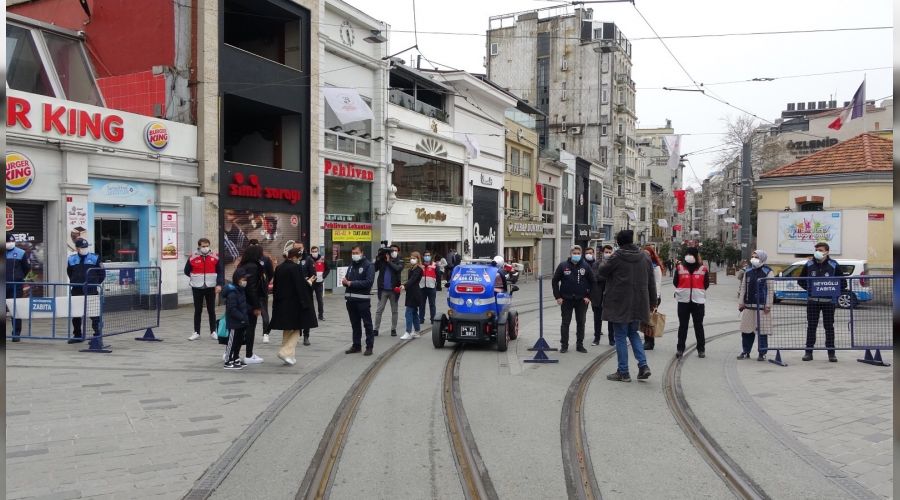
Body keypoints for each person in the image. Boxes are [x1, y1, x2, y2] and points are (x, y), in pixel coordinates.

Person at [596, 230, 656, 382]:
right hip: (639, 302)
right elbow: (651, 281)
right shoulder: (645, 256)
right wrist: (653, 302)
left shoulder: (616, 257)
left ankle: (623, 371)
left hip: (619, 302)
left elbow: (601, 272)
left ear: (619, 242)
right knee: (633, 333)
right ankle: (643, 366)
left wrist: (606, 260)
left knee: (621, 336)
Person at [798, 242, 846, 362]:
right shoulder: (809, 264)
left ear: (827, 252)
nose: (817, 252)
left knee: (829, 327)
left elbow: (843, 283)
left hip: (829, 302)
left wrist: (833, 290)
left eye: (820, 250)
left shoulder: (833, 265)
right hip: (812, 301)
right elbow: (800, 280)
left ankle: (831, 353)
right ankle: (808, 353)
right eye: (816, 250)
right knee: (811, 327)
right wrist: (810, 289)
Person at [270, 248, 318, 366]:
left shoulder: (279, 267)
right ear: (296, 257)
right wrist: (309, 283)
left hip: (281, 303)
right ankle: (285, 351)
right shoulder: (296, 268)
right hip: (294, 304)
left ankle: (290, 355)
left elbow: (275, 287)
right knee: (297, 328)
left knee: (287, 328)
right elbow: (299, 286)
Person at [551, 245, 592, 353]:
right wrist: (558, 296)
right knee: (565, 323)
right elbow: (555, 281)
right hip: (566, 299)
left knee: (581, 322)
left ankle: (580, 345)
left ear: (581, 254)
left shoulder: (586, 266)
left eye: (578, 253)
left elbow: (593, 282)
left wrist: (588, 296)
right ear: (570, 254)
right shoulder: (563, 266)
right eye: (574, 253)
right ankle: (564, 345)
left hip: (582, 300)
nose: (576, 255)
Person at [737, 250, 774, 361]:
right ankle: (745, 351)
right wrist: (741, 302)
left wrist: (768, 305)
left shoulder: (768, 272)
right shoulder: (747, 271)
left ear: (762, 258)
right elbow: (743, 287)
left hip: (762, 307)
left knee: (762, 331)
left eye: (756, 257)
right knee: (746, 330)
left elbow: (771, 290)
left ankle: (762, 353)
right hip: (749, 305)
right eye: (752, 256)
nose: (753, 258)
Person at [185, 238, 225, 341]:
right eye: (203, 246)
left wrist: (219, 284)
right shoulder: (192, 257)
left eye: (207, 245)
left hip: (211, 287)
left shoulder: (215, 257)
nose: (205, 248)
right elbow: (186, 271)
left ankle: (213, 331)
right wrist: (194, 277)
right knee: (197, 310)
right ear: (199, 246)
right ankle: (196, 332)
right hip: (197, 287)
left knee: (211, 310)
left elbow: (220, 272)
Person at [674, 246, 710, 358]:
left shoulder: (703, 269)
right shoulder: (679, 268)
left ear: (696, 256)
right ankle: (680, 349)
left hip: (698, 302)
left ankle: (701, 349)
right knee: (683, 326)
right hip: (683, 301)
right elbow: (676, 282)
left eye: (691, 254)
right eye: (688, 253)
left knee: (698, 326)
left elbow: (706, 284)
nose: (689, 256)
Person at [66, 238, 104, 344]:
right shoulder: (71, 259)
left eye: (86, 247)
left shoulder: (95, 258)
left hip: (91, 290)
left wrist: (94, 283)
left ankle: (97, 335)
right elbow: (69, 272)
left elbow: (102, 274)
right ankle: (77, 335)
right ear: (77, 248)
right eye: (82, 247)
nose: (84, 249)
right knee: (76, 314)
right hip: (77, 290)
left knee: (94, 314)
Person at [342, 245, 375, 355]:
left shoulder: (368, 265)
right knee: (355, 324)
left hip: (363, 300)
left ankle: (369, 346)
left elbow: (368, 282)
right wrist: (344, 282)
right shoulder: (351, 265)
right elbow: (347, 278)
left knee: (367, 324)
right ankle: (356, 345)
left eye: (356, 253)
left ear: (362, 253)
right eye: (353, 253)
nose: (354, 255)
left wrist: (351, 283)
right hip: (350, 300)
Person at [236, 245, 266, 364]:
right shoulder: (253, 267)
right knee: (250, 328)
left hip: (241, 301)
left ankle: (235, 353)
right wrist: (256, 306)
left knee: (240, 328)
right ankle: (249, 354)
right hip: (249, 303)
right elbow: (251, 288)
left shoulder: (242, 265)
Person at [247, 240, 274, 343]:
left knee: (264, 312)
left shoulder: (265, 259)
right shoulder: (246, 259)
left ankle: (266, 333)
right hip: (249, 291)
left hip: (262, 290)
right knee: (249, 313)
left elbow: (271, 273)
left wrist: (265, 282)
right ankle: (247, 333)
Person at [222, 268, 250, 370]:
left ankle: (236, 357)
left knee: (239, 341)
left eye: (246, 279)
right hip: (234, 322)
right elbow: (232, 309)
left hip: (241, 322)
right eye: (243, 279)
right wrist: (242, 317)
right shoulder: (232, 292)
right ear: (237, 279)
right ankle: (227, 360)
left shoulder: (240, 290)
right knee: (232, 341)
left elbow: (243, 304)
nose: (245, 281)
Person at [373, 244, 403, 337]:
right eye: (392, 250)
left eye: (395, 250)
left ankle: (393, 329)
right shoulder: (382, 260)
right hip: (383, 290)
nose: (393, 252)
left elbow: (397, 269)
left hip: (394, 290)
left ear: (398, 252)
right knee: (379, 310)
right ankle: (376, 329)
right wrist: (378, 257)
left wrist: (389, 261)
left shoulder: (399, 261)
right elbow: (374, 269)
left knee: (394, 311)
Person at [7, 234, 31, 342]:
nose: (10, 243)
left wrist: (19, 277)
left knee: (15, 310)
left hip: (15, 285)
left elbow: (27, 268)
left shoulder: (21, 253)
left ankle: (16, 334)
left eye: (12, 241)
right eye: (8, 241)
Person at [590, 245, 615, 346]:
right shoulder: (596, 264)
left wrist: (604, 276)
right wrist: (608, 277)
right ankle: (596, 338)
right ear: (602, 252)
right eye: (606, 252)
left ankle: (611, 339)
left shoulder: (614, 264)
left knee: (611, 319)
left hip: (610, 295)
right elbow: (596, 277)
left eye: (609, 252)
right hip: (598, 295)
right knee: (597, 318)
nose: (608, 254)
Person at [643, 245, 665, 350]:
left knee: (650, 320)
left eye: (647, 254)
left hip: (653, 297)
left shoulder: (655, 267)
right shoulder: (643, 265)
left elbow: (657, 284)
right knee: (645, 319)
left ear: (652, 255)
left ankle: (650, 342)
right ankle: (647, 340)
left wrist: (655, 301)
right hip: (644, 296)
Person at [400, 251, 424, 340]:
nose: (412, 260)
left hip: (415, 294)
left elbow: (413, 280)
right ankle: (417, 331)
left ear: (418, 259)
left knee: (408, 312)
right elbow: (409, 280)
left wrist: (405, 286)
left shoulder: (419, 269)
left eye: (414, 258)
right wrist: (404, 286)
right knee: (414, 313)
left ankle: (408, 332)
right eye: (411, 258)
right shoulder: (411, 269)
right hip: (410, 293)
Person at [419, 250, 442, 327]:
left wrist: (438, 286)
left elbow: (439, 276)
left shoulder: (434, 265)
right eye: (425, 255)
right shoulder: (420, 265)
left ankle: (433, 319)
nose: (427, 257)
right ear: (423, 256)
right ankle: (421, 319)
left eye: (428, 255)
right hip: (422, 287)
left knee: (432, 304)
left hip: (431, 287)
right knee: (421, 304)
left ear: (430, 256)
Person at [309, 245, 330, 321]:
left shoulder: (322, 259)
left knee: (320, 300)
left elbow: (328, 269)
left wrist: (323, 276)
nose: (314, 253)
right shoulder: (309, 259)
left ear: (318, 251)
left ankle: (321, 315)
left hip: (319, 282)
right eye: (313, 251)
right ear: (311, 252)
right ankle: (310, 315)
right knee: (309, 299)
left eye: (315, 251)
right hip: (311, 282)